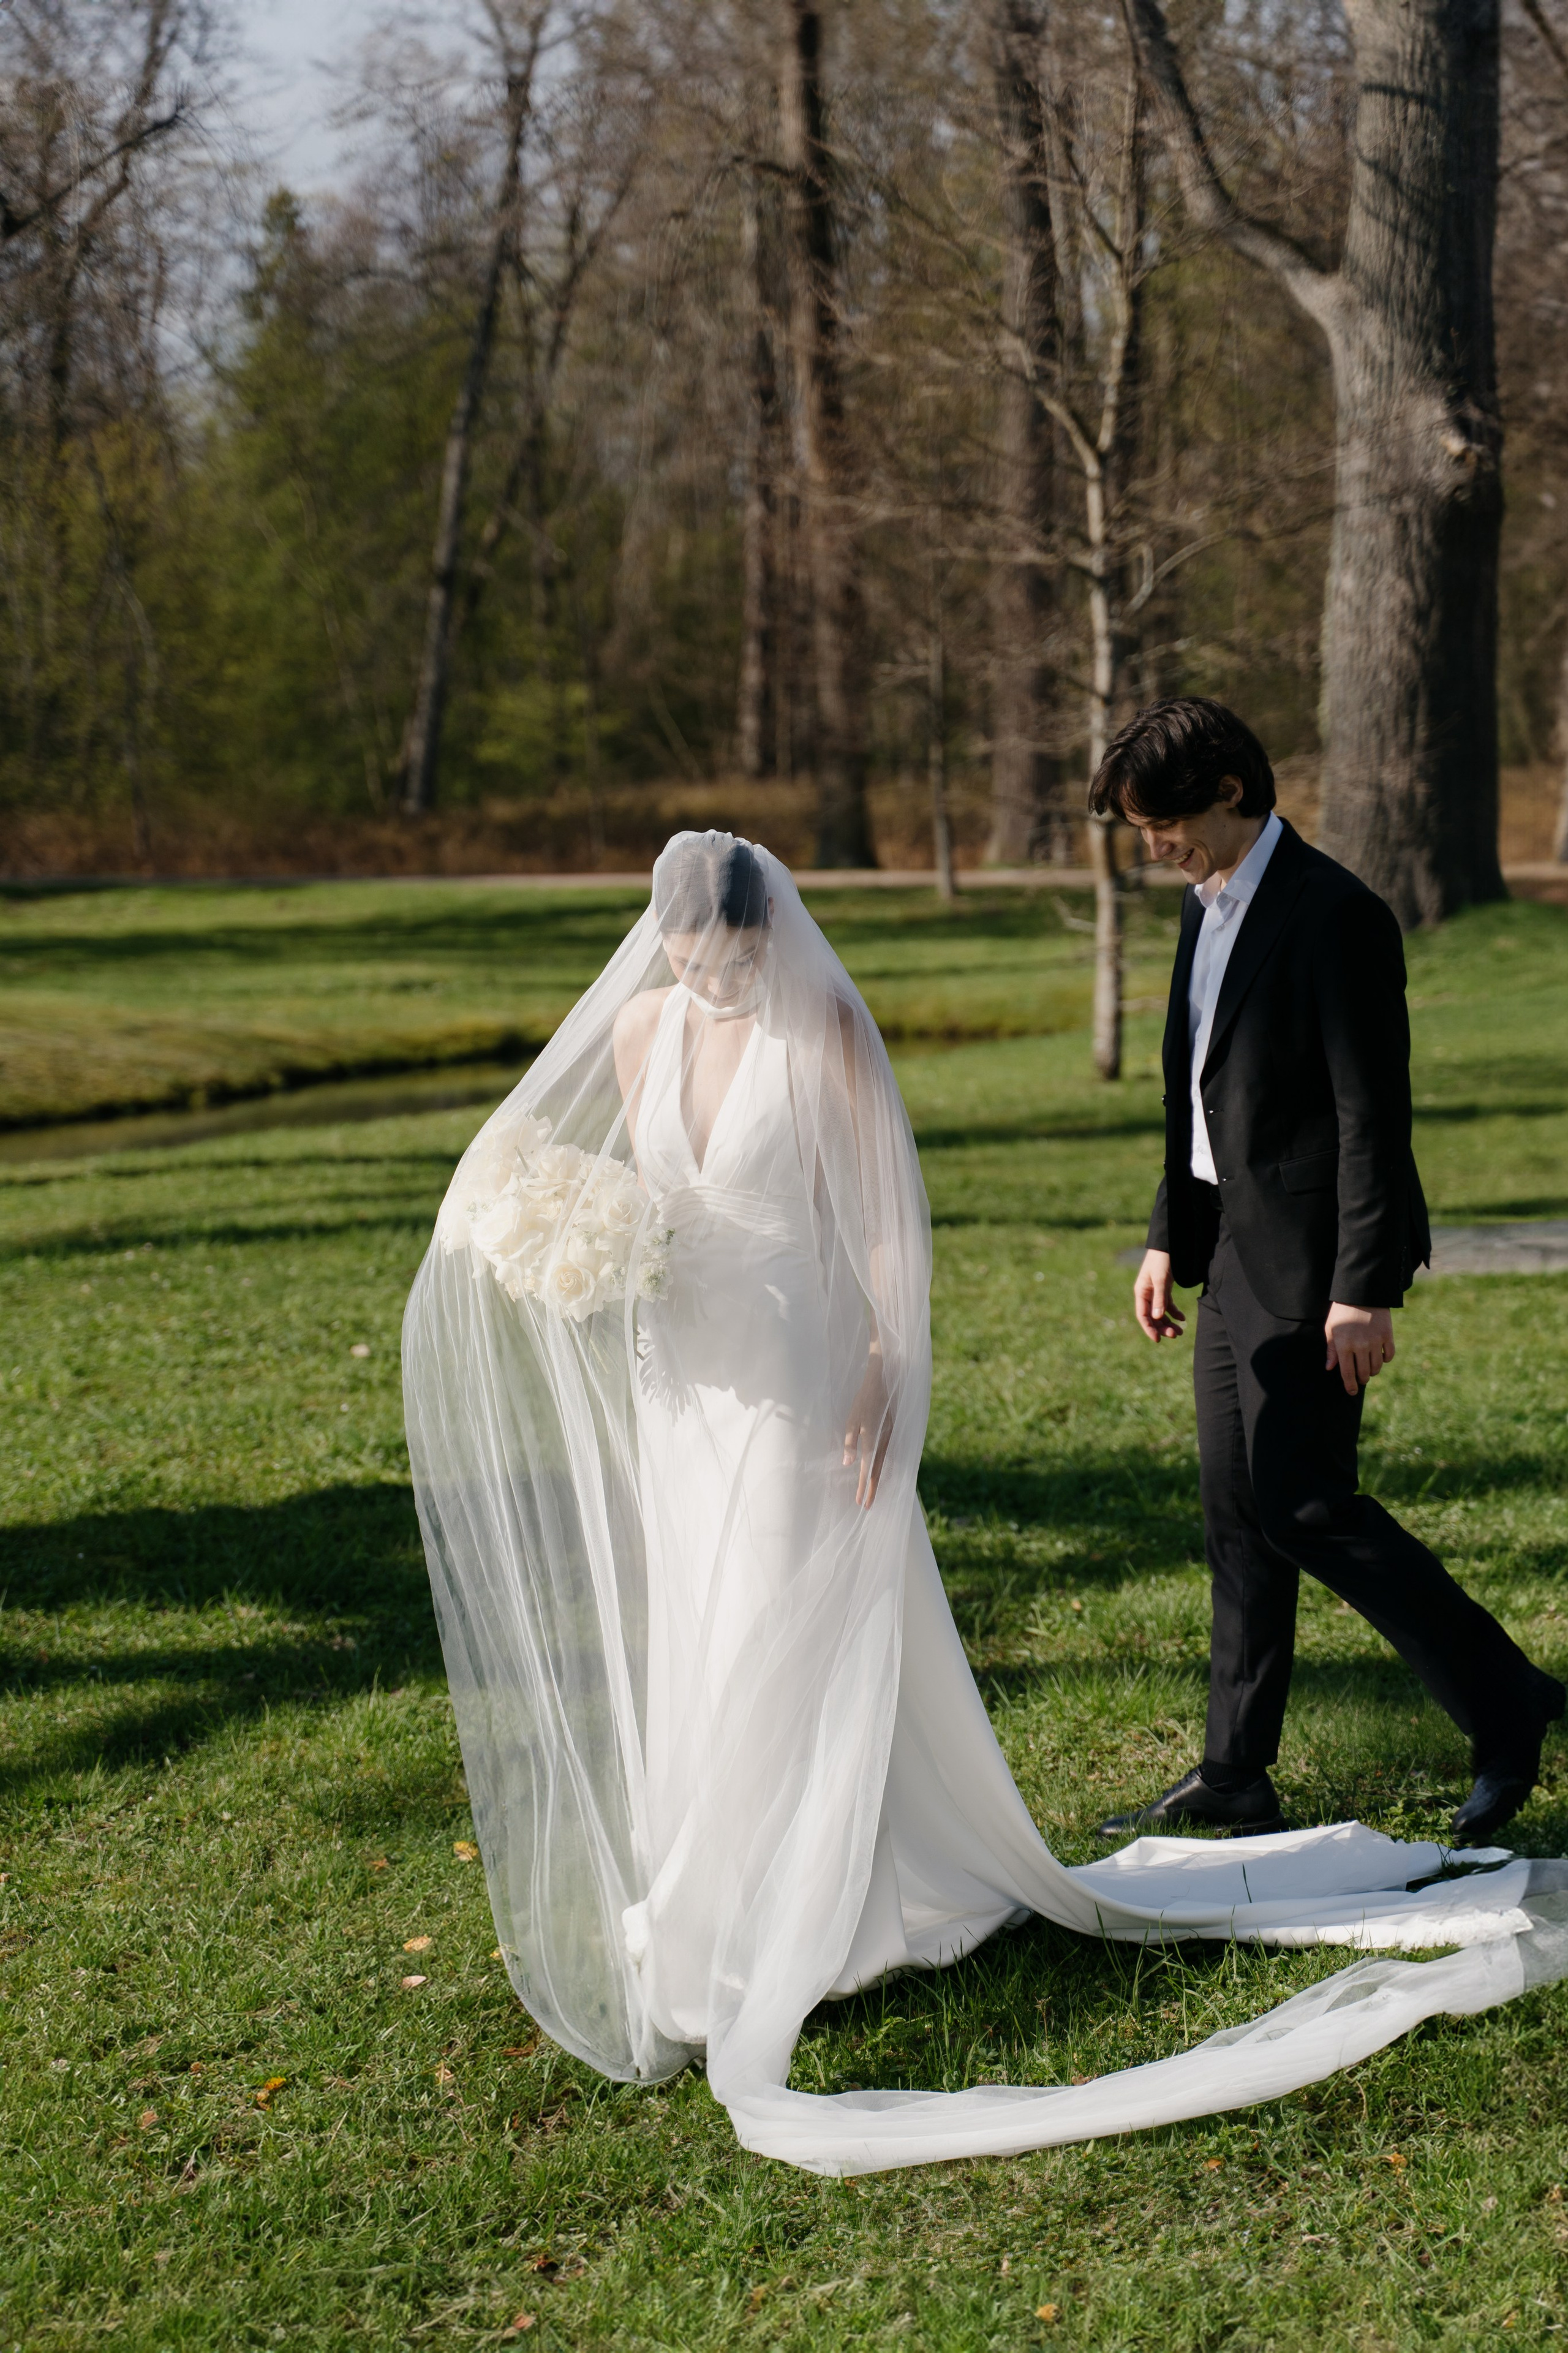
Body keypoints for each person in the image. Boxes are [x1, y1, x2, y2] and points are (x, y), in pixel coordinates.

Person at [402, 828, 1567, 2177]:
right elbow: (642, 1195)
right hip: (688, 1375)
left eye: (728, 954)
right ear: (656, 942)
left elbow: (882, 1218)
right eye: (684, 952)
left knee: (794, 1608)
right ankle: (714, 1894)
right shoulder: (640, 1029)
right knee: (707, 1618)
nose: (707, 976)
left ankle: (824, 1909)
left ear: (765, 934)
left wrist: (885, 1361)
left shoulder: (820, 1024)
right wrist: (583, 1242)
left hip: (801, 1357)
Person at [1091, 698, 1564, 1850]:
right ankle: (1234, 1772)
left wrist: (1365, 1288)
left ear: (1233, 794)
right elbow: (1194, 1095)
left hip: (1317, 1268)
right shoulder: (1206, 912)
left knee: (1306, 1504)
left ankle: (1509, 1713)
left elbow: (1371, 1114)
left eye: (1161, 821)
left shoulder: (1337, 914)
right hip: (1230, 1260)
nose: (1149, 843)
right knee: (1238, 1517)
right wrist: (1169, 1233)